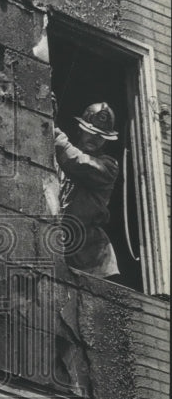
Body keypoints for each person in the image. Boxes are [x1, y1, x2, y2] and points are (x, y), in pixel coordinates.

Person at [54, 101, 119, 278]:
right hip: (61, 243)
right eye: (91, 132)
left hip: (91, 255)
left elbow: (78, 162)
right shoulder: (58, 161)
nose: (95, 138)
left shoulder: (109, 167)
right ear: (80, 130)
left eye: (101, 136)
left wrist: (52, 130)